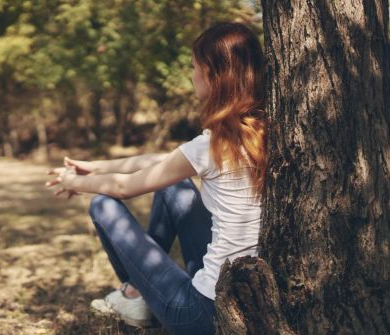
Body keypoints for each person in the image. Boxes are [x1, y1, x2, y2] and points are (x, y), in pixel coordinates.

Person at [44, 21, 268, 335]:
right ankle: (137, 293)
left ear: (213, 74)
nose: (191, 75)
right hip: (251, 301)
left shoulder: (213, 144)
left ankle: (134, 294)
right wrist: (96, 167)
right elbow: (167, 164)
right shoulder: (262, 131)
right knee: (173, 186)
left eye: (194, 67)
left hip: (199, 315)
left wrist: (73, 183)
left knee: (102, 205)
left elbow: (124, 188)